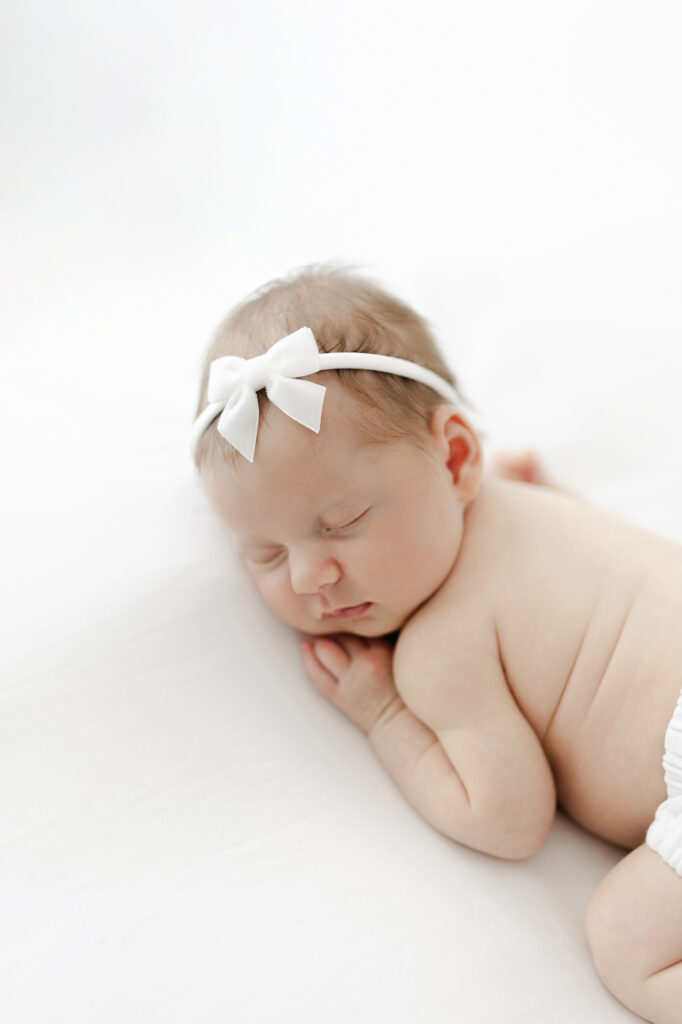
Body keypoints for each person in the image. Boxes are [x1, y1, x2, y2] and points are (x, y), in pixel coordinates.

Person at [190, 264, 682, 1024]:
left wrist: (388, 718)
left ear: (455, 458)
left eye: (341, 520)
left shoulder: (439, 650)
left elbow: (509, 819)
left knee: (627, 939)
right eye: (267, 554)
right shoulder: (524, 493)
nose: (314, 574)